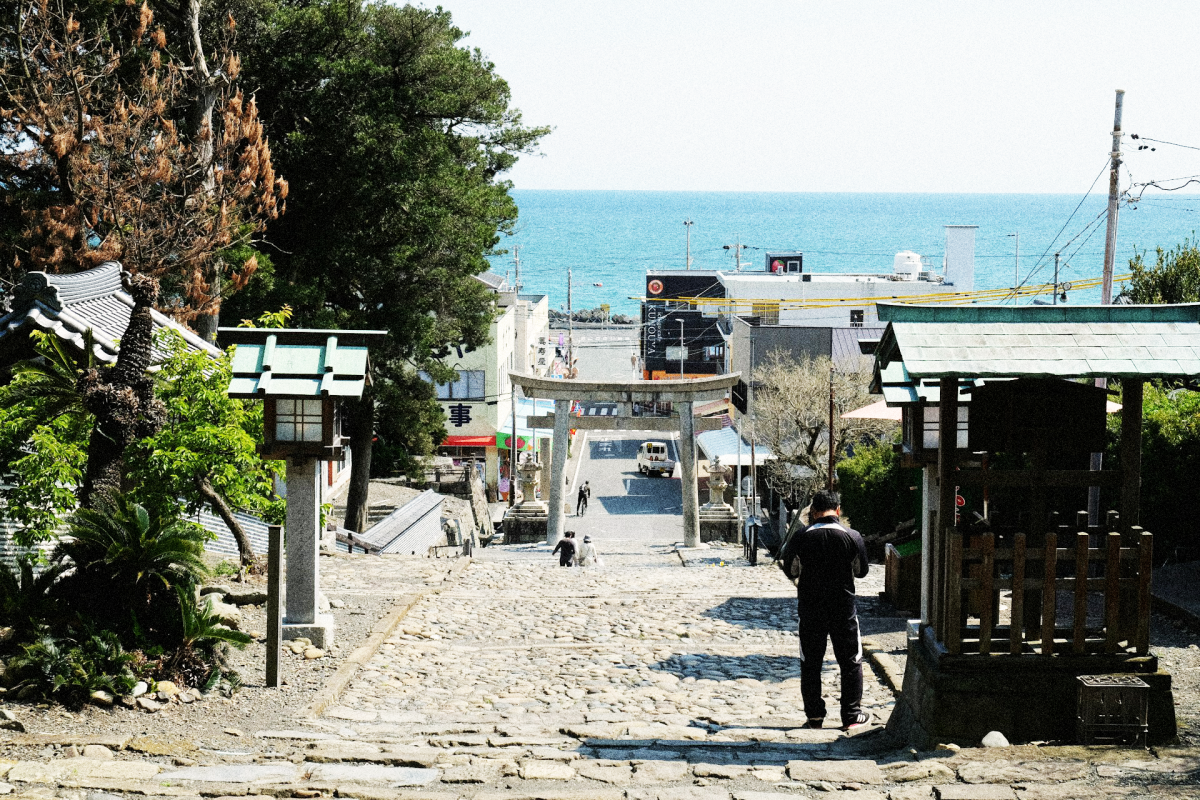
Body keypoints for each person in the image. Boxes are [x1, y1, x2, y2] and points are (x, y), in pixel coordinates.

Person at [779, 489, 871, 731]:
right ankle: (851, 715)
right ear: (837, 510)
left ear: (813, 512)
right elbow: (861, 571)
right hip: (843, 608)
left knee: (810, 662)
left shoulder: (801, 536)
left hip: (811, 608)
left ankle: (815, 716)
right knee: (851, 661)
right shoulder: (852, 536)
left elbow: (791, 570)